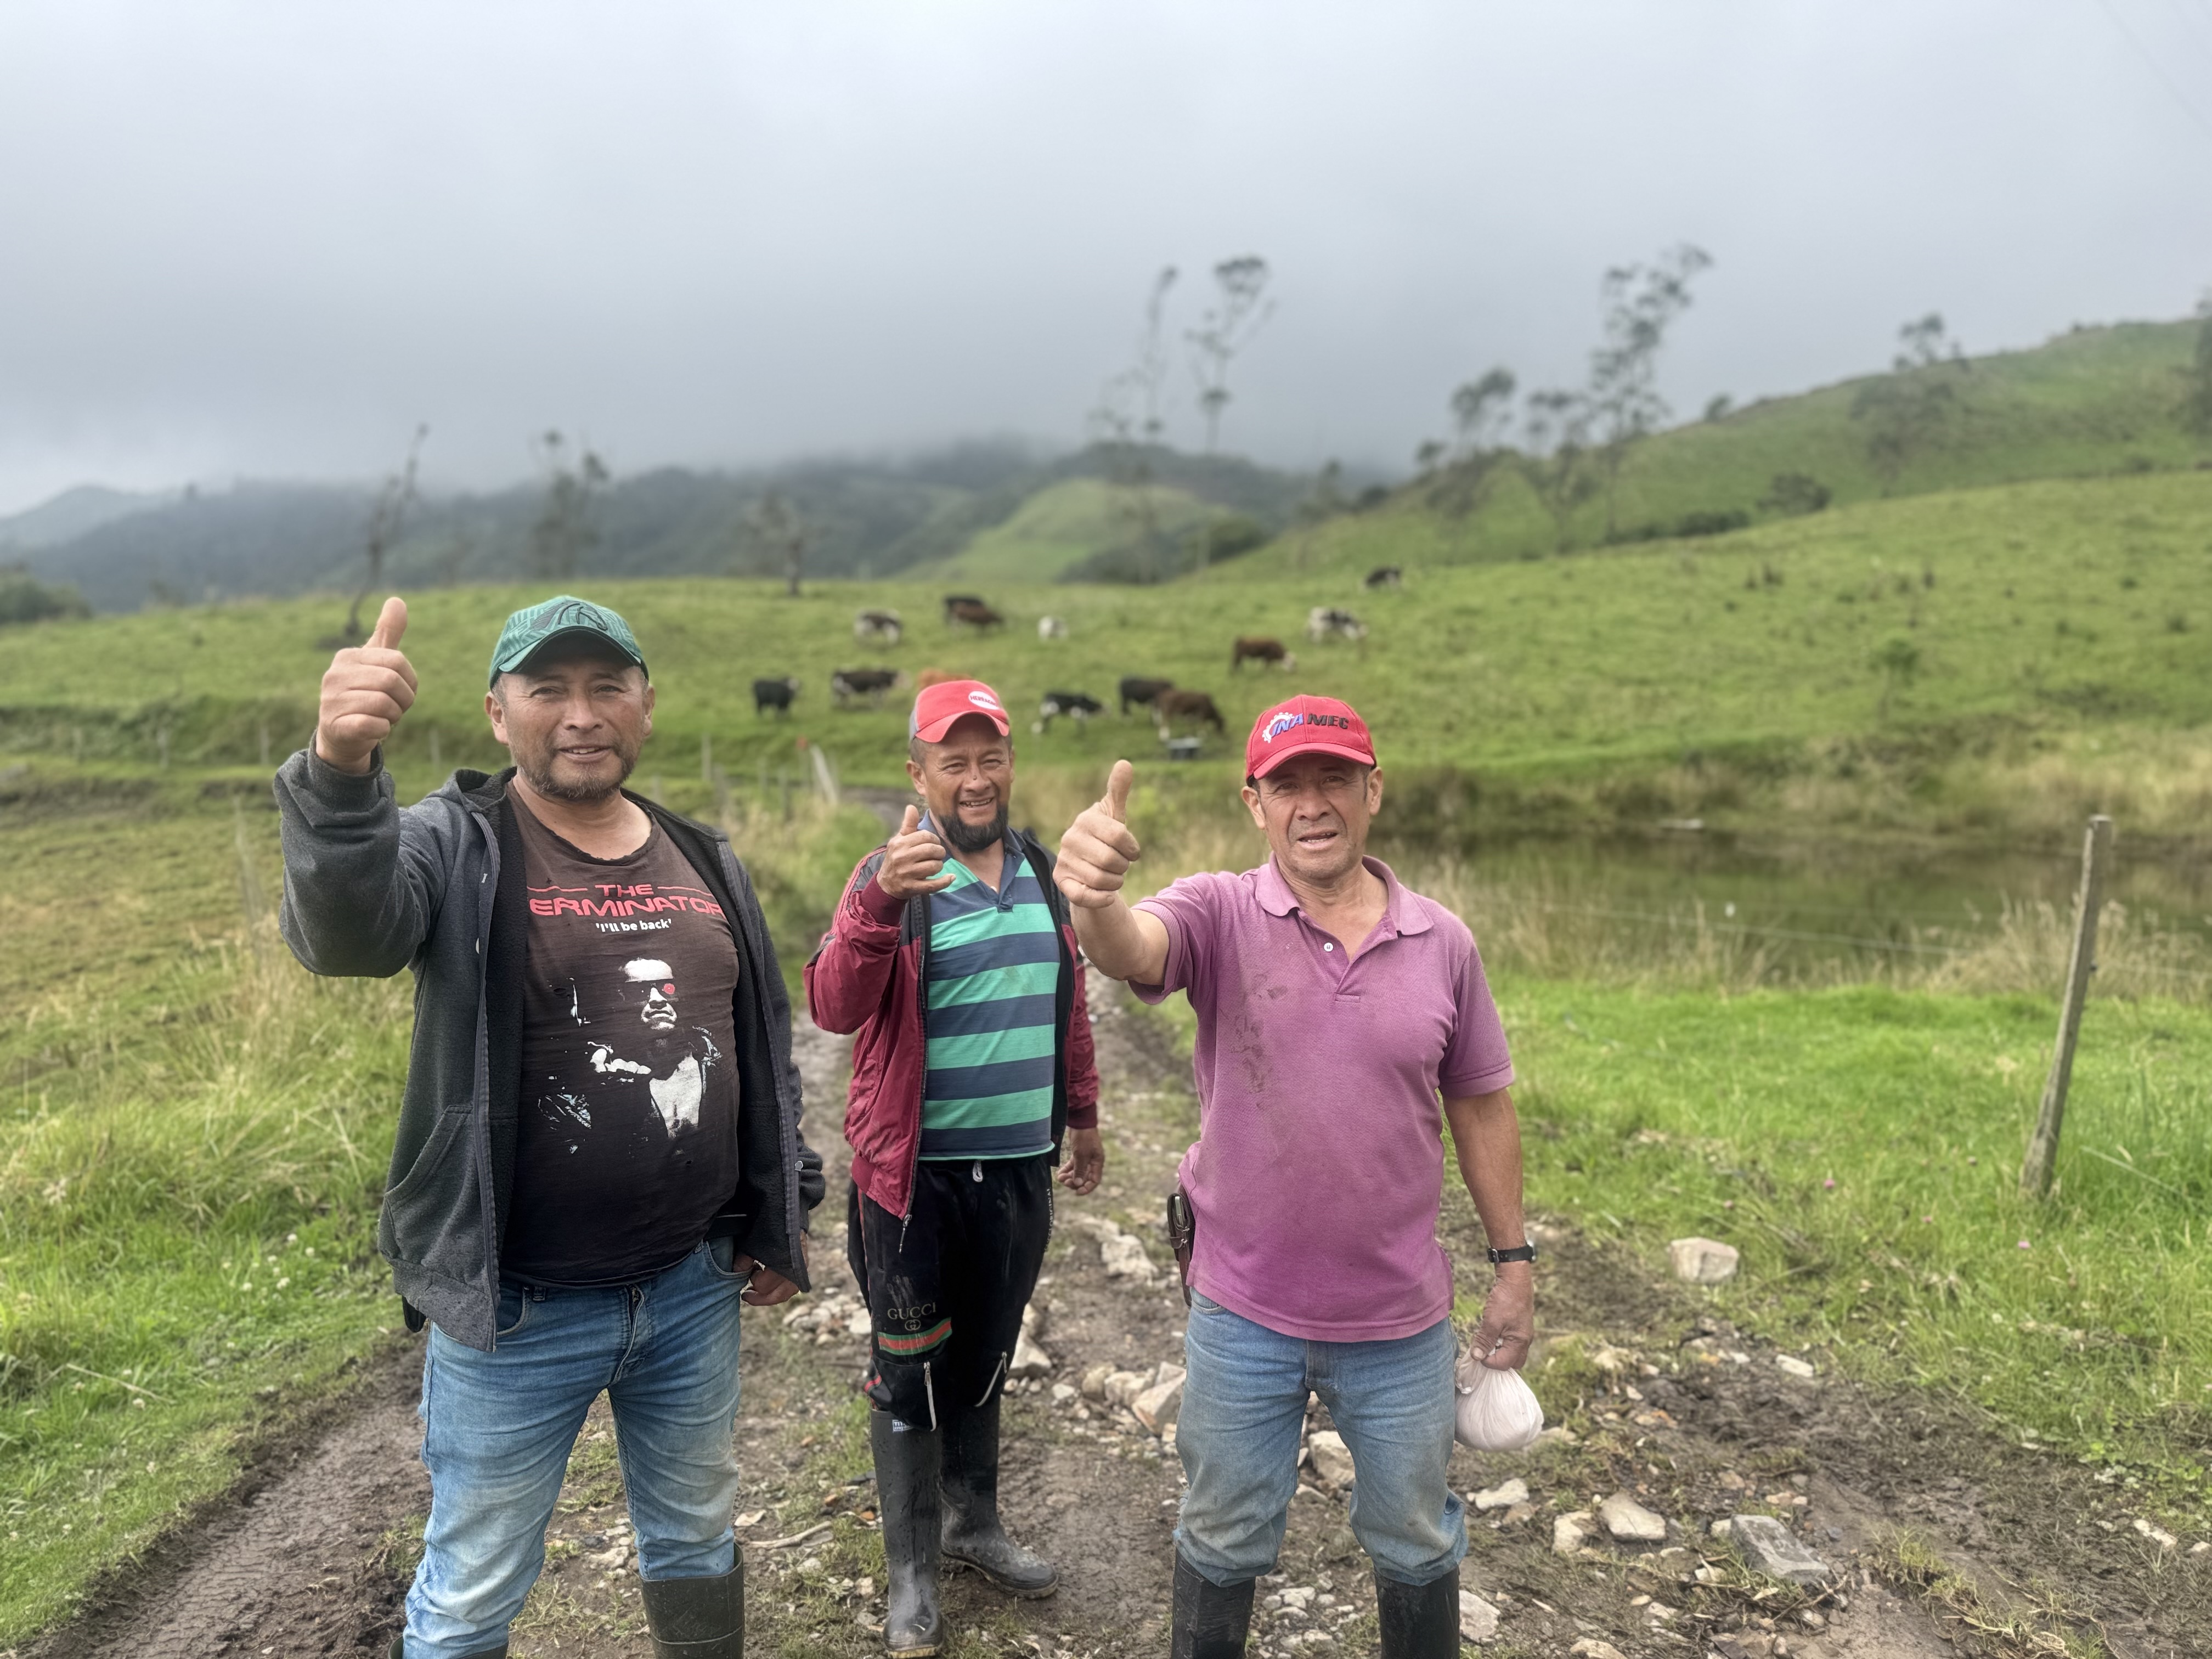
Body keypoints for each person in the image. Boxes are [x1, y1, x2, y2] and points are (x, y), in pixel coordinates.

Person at [276, 592, 822, 1659]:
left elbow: (758, 1043)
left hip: (691, 1289)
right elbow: (346, 935)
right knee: (475, 1584)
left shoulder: (706, 857)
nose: (581, 713)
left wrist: (784, 1199)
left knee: (698, 1534)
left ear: (646, 708)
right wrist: (340, 773)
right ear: (497, 712)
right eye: (549, 689)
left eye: (606, 686)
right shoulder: (457, 845)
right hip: (515, 1310)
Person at [1052, 695, 1534, 1659]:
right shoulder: (1219, 911)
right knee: (1222, 1536)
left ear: (1373, 792)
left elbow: (1480, 1102)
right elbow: (1134, 948)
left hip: (1401, 1324)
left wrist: (1513, 1263)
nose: (1312, 804)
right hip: (1244, 1314)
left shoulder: (1444, 943)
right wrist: (1095, 900)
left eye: (1334, 780)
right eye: (1287, 785)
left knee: (1415, 1540)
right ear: (1254, 804)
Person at [805, 679, 1107, 1658]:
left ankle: (976, 1526)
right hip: (914, 1183)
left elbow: (1069, 1008)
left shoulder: (1042, 870)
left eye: (990, 758)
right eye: (953, 761)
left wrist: (1085, 1116)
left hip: (1019, 1173)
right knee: (908, 1373)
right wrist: (877, 898)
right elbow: (830, 1006)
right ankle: (913, 1576)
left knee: (983, 1359)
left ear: (1009, 764)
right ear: (918, 773)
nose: (975, 779)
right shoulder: (892, 880)